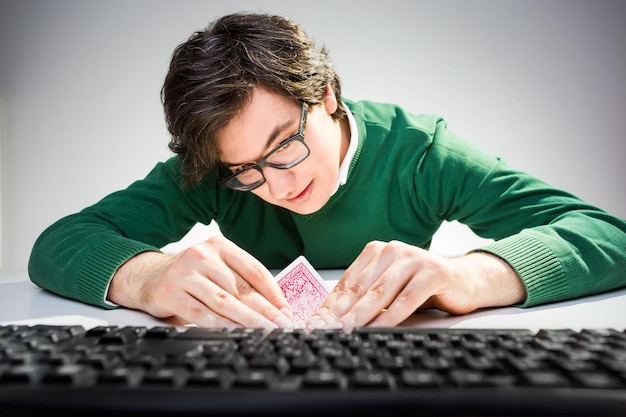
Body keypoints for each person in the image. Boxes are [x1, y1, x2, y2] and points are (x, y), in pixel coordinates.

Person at [28, 12, 626, 332]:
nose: (281, 187)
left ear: (329, 96)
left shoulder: (421, 152)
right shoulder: (212, 170)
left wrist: (469, 279)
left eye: (284, 144)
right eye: (246, 170)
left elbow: (608, 234)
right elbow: (58, 243)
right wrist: (146, 277)